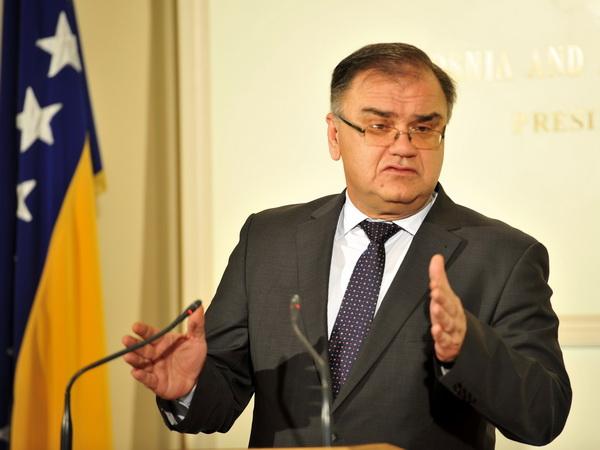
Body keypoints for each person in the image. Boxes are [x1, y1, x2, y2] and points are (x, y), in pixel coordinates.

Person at [123, 43, 571, 449]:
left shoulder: (503, 257)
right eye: (379, 126)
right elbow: (220, 398)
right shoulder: (267, 239)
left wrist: (468, 349)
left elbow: (544, 416)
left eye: (423, 128)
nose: (404, 147)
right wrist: (189, 387)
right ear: (335, 135)